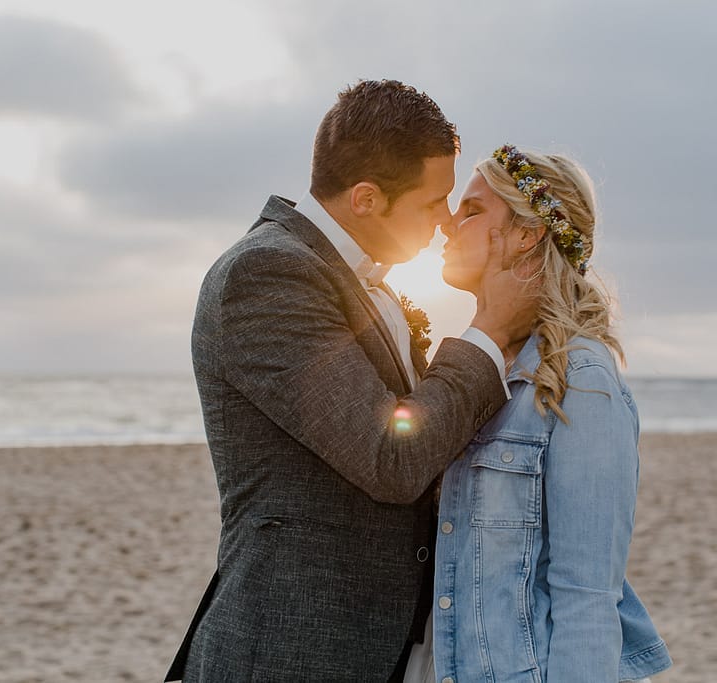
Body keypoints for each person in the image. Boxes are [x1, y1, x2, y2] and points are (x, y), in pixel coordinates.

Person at [164, 83, 537, 682]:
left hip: (372, 647)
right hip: (294, 650)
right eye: (432, 201)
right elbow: (391, 455)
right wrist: (490, 331)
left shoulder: (367, 283)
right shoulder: (266, 274)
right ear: (366, 198)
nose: (444, 221)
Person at [423, 146, 673, 682]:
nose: (447, 223)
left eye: (471, 210)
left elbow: (588, 600)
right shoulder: (477, 370)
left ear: (526, 234)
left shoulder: (579, 383)